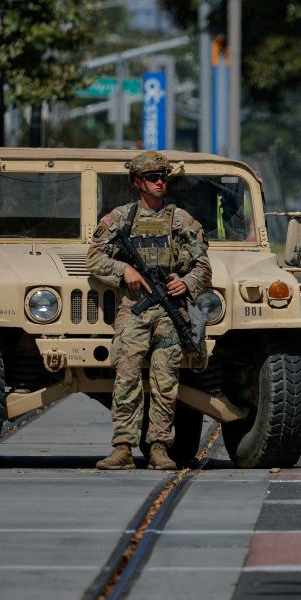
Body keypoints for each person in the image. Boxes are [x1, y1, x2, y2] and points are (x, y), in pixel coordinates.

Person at [87, 152, 212, 471]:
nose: (160, 182)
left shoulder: (180, 220)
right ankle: (123, 448)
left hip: (170, 314)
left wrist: (186, 283)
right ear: (137, 182)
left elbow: (203, 266)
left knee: (165, 383)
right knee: (126, 377)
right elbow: (94, 257)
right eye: (153, 177)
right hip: (135, 310)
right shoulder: (120, 218)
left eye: (164, 176)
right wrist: (122, 271)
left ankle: (158, 447)